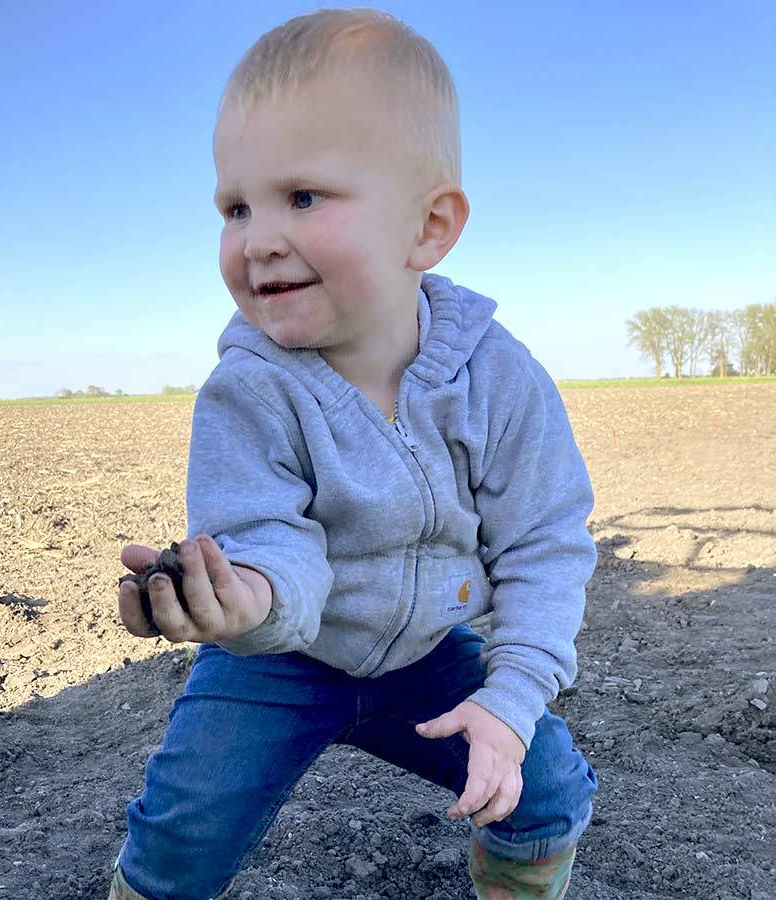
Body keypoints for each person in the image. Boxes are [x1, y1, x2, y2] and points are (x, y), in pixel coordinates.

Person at [110, 8, 598, 899]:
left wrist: (512, 698)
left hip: (428, 651)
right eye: (235, 206)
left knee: (547, 795)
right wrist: (243, 598)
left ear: (429, 227)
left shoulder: (498, 375)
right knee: (178, 838)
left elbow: (544, 541)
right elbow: (267, 537)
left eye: (301, 197)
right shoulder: (251, 388)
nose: (256, 236)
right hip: (275, 657)